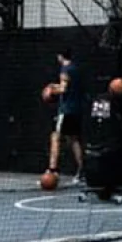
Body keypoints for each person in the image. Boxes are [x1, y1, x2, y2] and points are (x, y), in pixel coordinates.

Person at [42, 51, 86, 183]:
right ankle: (82, 170)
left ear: (60, 56)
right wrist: (53, 85)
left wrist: (51, 91)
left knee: (55, 137)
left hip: (66, 110)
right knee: (74, 140)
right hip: (77, 109)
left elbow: (64, 88)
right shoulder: (76, 69)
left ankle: (52, 170)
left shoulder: (65, 69)